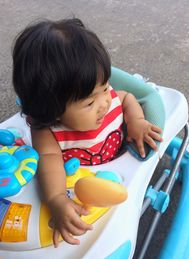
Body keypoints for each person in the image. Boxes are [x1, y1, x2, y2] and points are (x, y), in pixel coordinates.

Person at [12, 18, 163, 247]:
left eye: (104, 88)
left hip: (117, 165)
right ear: (52, 109)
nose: (104, 102)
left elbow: (127, 98)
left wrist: (137, 121)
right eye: (89, 103)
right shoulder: (48, 131)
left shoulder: (108, 98)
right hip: (81, 178)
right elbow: (49, 163)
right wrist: (56, 199)